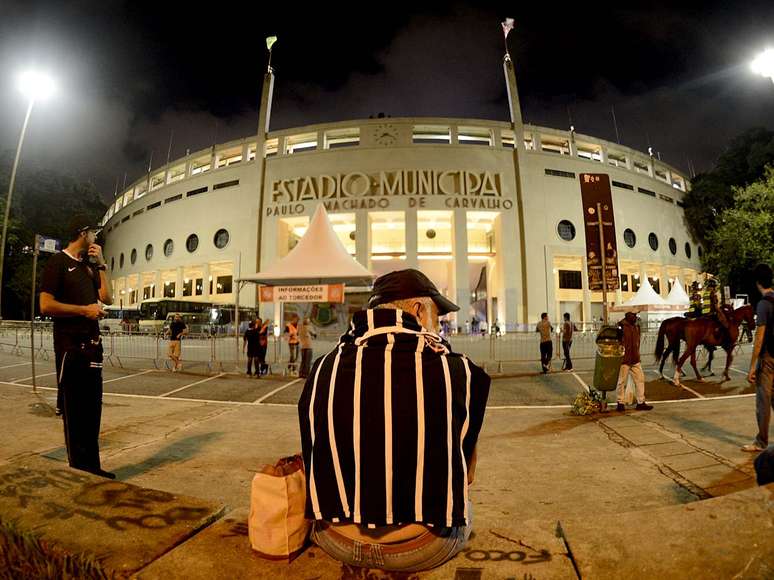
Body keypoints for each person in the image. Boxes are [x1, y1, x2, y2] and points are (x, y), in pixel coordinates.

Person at [299, 269, 490, 572]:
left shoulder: (324, 368)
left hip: (336, 539)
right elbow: (466, 476)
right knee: (466, 507)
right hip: (421, 547)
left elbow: (312, 461)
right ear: (417, 311)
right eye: (437, 319)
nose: (439, 328)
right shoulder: (459, 372)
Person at [39, 216, 115, 479]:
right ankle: (78, 469)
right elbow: (46, 305)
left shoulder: (89, 267)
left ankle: (92, 467)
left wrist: (102, 264)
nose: (96, 237)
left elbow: (107, 297)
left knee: (93, 411)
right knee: (75, 412)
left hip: (93, 347)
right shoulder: (58, 263)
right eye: (94, 232)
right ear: (83, 233)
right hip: (71, 348)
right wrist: (85, 310)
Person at [742, 263, 774, 453]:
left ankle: (761, 441)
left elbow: (759, 336)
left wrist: (753, 365)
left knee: (763, 400)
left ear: (757, 283)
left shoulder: (764, 304)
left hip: (769, 358)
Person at [615, 311, 653, 411]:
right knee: (621, 382)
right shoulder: (621, 326)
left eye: (636, 315)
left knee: (640, 380)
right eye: (633, 315)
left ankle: (641, 402)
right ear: (628, 315)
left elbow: (638, 342)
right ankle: (620, 402)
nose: (635, 317)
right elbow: (617, 341)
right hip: (624, 359)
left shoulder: (636, 327)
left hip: (635, 359)